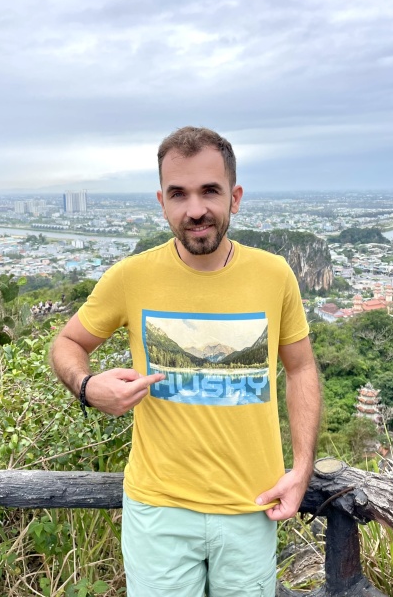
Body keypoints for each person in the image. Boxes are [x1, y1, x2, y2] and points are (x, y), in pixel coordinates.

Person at [49, 126, 322, 597]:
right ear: (162, 202)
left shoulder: (273, 274)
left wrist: (301, 470)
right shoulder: (132, 276)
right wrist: (88, 387)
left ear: (235, 197)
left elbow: (301, 369)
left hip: (251, 504)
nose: (195, 209)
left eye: (210, 191)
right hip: (159, 510)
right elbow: (68, 342)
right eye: (179, 194)